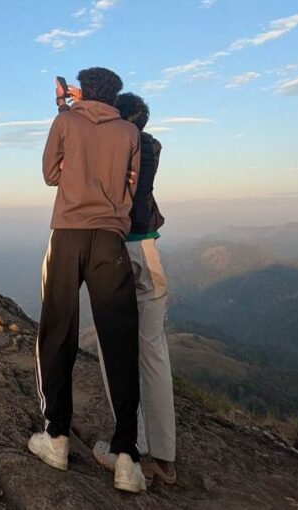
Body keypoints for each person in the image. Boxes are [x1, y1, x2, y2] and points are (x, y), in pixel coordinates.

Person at [29, 67, 146, 493]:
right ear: (115, 94)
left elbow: (49, 174)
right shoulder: (128, 133)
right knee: (119, 340)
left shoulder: (66, 120)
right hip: (111, 241)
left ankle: (56, 437)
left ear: (82, 90)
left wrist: (65, 110)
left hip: (68, 236)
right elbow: (129, 189)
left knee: (58, 329)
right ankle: (126, 457)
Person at [91, 93, 177, 486]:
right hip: (150, 249)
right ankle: (166, 457)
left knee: (113, 348)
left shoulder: (115, 144)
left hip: (118, 249)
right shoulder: (151, 145)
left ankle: (133, 449)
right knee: (154, 351)